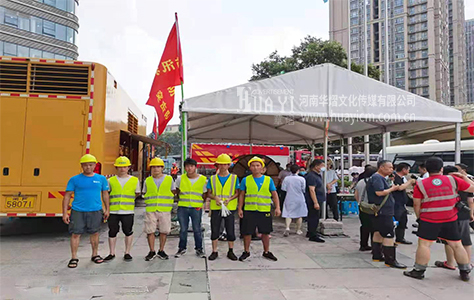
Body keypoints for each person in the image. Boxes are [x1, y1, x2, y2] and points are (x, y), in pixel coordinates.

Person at [404, 157, 474, 281]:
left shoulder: (421, 184)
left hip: (429, 219)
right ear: (441, 168)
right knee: (457, 244)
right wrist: (463, 176)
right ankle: (464, 271)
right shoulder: (453, 180)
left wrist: (419, 218)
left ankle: (419, 271)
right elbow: (472, 188)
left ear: (426, 169)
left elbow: (416, 204)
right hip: (450, 218)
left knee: (424, 245)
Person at [62, 154, 110, 268]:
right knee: (75, 234)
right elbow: (67, 196)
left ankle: (95, 254)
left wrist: (107, 209)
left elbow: (105, 194)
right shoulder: (74, 179)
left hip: (95, 210)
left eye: (90, 165)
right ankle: (74, 257)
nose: (88, 167)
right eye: (85, 165)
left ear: (95, 165)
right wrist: (64, 212)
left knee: (95, 233)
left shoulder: (101, 179)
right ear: (81, 166)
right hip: (78, 210)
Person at [238, 156, 281, 261]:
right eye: (253, 165)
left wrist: (277, 208)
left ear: (262, 168)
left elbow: (274, 194)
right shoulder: (245, 180)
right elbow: (242, 195)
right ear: (250, 168)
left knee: (265, 232)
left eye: (258, 165)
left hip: (264, 210)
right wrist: (240, 208)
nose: (255, 167)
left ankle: (266, 251)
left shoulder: (268, 180)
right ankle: (246, 251)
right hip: (249, 210)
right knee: (247, 232)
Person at [366, 160, 406, 268]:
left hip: (379, 210)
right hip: (383, 211)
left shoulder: (380, 178)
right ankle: (390, 260)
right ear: (381, 167)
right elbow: (379, 193)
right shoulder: (377, 178)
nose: (391, 170)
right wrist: (392, 189)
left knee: (378, 232)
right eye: (389, 167)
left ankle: (377, 254)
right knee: (389, 234)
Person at [433, 165, 474, 271]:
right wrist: (471, 213)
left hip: (448, 214)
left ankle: (450, 263)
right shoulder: (464, 183)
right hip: (464, 213)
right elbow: (470, 200)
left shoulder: (443, 183)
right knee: (465, 240)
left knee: (449, 240)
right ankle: (467, 263)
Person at [104, 156, 140, 262]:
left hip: (128, 210)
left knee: (128, 231)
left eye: (124, 167)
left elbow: (137, 193)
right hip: (114, 210)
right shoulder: (110, 180)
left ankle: (127, 252)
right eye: (120, 167)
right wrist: (107, 209)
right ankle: (112, 253)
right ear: (116, 168)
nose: (122, 169)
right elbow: (106, 194)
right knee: (112, 231)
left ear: (128, 167)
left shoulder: (134, 180)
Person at [206, 154, 240, 261]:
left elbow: (237, 193)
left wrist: (229, 199)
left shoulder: (234, 178)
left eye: (225, 164)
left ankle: (230, 251)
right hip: (216, 207)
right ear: (217, 165)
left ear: (229, 165)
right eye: (220, 164)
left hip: (229, 207)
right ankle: (214, 251)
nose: (223, 166)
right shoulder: (212, 179)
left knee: (230, 230)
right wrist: (215, 198)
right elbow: (209, 193)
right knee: (215, 230)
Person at [142, 157, 175, 261]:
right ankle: (152, 251)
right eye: (153, 167)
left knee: (164, 230)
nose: (156, 169)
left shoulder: (169, 179)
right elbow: (144, 193)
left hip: (164, 209)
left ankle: (161, 250)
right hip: (151, 209)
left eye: (158, 167)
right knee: (150, 231)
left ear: (162, 168)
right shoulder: (147, 180)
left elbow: (173, 191)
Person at [175, 158, 207, 258]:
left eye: (191, 166)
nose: (189, 168)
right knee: (183, 229)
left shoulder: (203, 179)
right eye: (187, 166)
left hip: (196, 207)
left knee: (197, 228)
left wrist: (201, 203)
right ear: (184, 168)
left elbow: (205, 194)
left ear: (195, 167)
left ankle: (199, 249)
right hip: (183, 207)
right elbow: (177, 191)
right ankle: (181, 248)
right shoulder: (180, 179)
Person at [354, 165, 377, 251]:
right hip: (372, 207)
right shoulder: (374, 182)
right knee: (374, 228)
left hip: (362, 207)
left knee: (364, 226)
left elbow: (356, 194)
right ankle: (375, 246)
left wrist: (360, 203)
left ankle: (363, 244)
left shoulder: (360, 182)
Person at [392, 163, 416, 245]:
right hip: (396, 203)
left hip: (402, 203)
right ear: (404, 169)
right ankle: (389, 239)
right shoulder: (395, 178)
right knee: (395, 222)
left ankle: (400, 238)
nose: (409, 171)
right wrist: (410, 181)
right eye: (408, 169)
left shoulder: (402, 178)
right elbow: (399, 187)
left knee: (403, 221)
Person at [282, 164, 307, 237]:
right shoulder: (302, 179)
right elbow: (303, 189)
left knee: (288, 213)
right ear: (298, 171)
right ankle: (298, 229)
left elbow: (284, 188)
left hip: (289, 197)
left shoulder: (286, 178)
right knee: (299, 214)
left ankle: (287, 227)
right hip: (299, 198)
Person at [305, 159, 326, 243]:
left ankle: (311, 232)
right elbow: (311, 190)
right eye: (322, 166)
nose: (323, 168)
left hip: (318, 199)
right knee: (314, 217)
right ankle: (313, 235)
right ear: (316, 166)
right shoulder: (311, 176)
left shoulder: (317, 175)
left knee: (314, 217)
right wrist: (315, 202)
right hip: (314, 200)